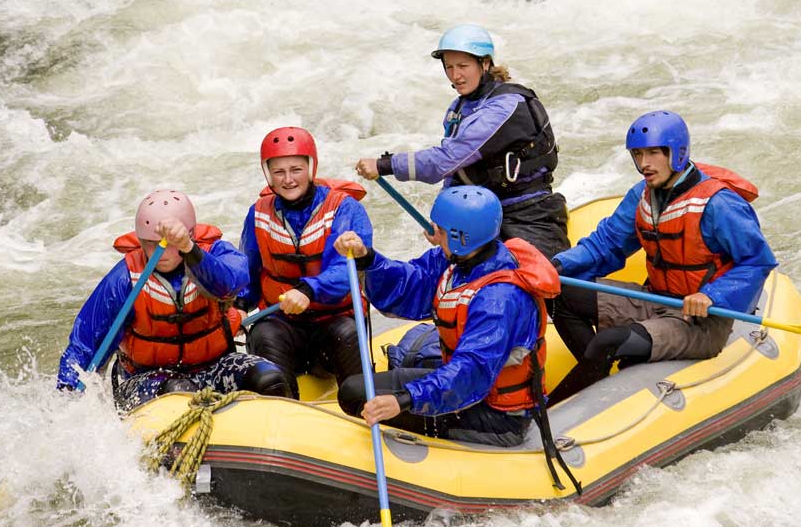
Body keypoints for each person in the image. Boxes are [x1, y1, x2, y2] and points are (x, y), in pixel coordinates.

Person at [548, 110, 778, 403]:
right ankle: (600, 379)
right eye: (638, 154)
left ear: (677, 153)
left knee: (608, 341)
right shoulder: (642, 195)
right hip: (654, 299)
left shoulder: (719, 204)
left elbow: (758, 261)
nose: (644, 163)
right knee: (558, 293)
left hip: (700, 321)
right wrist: (557, 265)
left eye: (654, 153)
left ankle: (555, 409)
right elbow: (606, 244)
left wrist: (712, 296)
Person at [332, 185, 559, 448]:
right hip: (465, 386)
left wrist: (406, 400)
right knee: (353, 389)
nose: (432, 234)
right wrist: (368, 259)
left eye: (439, 230)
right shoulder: (458, 261)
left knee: (356, 395)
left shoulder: (498, 300)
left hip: (495, 415)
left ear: (460, 237)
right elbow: (411, 285)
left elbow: (472, 371)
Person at [57, 190, 291, 410]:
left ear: (190, 235)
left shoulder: (216, 253)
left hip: (214, 367)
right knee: (180, 393)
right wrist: (67, 399)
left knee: (270, 379)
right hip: (146, 379)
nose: (159, 253)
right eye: (149, 243)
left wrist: (189, 250)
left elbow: (231, 283)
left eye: (169, 244)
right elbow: (84, 344)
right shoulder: (124, 280)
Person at [354, 23, 569, 260]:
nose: (456, 75)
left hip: (529, 215)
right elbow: (455, 173)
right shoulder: (459, 108)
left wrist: (385, 165)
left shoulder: (504, 107)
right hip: (483, 217)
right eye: (449, 67)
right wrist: (444, 224)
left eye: (463, 66)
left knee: (541, 277)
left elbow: (444, 161)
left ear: (485, 64)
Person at [238, 127, 373, 398]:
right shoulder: (258, 214)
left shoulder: (345, 209)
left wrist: (308, 290)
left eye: (296, 170)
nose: (288, 179)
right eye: (279, 172)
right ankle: (282, 406)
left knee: (347, 333)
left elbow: (346, 271)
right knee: (263, 335)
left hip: (333, 322)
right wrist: (239, 307)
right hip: (282, 324)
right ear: (268, 175)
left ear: (311, 168)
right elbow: (248, 272)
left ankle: (360, 405)